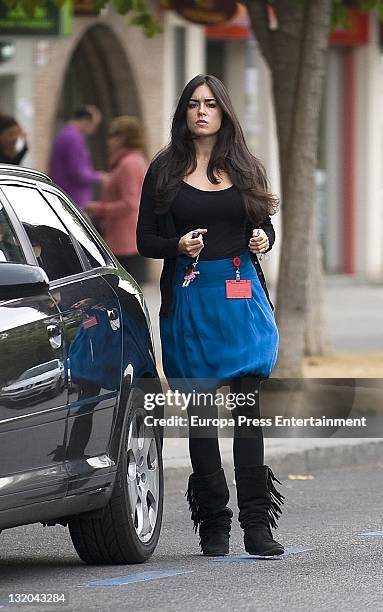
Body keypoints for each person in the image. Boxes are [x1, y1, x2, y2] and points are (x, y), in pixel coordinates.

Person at [136, 74, 284, 558]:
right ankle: (214, 524)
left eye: (211, 104)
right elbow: (144, 242)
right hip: (190, 300)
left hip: (241, 297)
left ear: (224, 113)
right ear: (183, 113)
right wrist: (177, 245)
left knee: (246, 411)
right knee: (200, 415)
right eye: (194, 104)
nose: (202, 112)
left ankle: (258, 525)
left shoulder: (245, 168)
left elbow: (261, 224)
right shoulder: (162, 171)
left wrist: (264, 238)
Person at [85, 116, 147, 284]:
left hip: (125, 242)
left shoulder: (129, 164)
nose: (108, 140)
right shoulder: (130, 161)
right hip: (123, 238)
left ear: (124, 137)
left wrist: (99, 208)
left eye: (112, 135)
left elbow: (130, 203)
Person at [49, 105, 103, 209]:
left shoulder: (65, 134)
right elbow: (78, 172)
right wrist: (98, 177)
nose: (94, 130)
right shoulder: (73, 138)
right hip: (73, 199)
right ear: (86, 120)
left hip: (67, 197)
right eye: (94, 125)